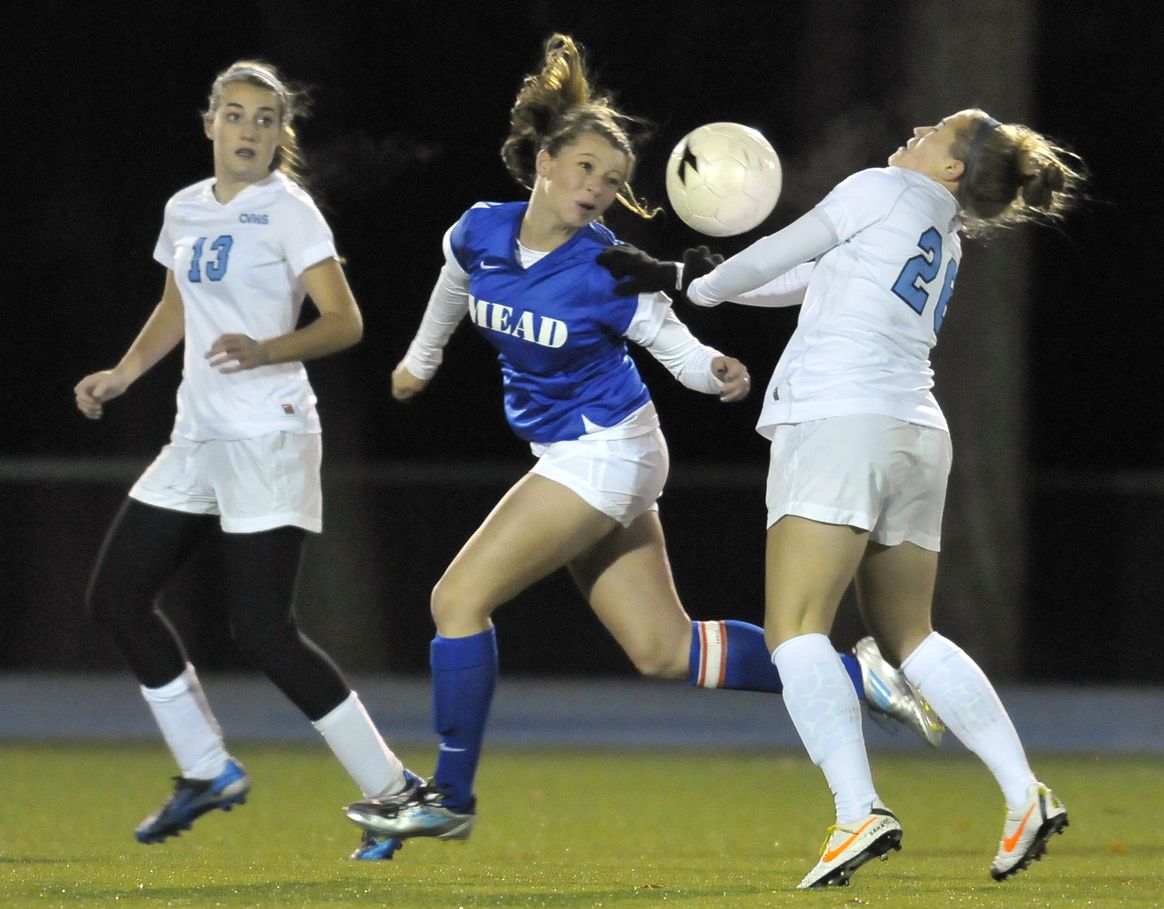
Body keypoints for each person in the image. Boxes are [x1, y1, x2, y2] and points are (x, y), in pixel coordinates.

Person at [342, 34, 941, 856]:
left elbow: (675, 344)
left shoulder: (607, 266)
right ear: (546, 162)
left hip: (609, 449)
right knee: (666, 649)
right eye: (587, 169)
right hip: (573, 453)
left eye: (614, 180)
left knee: (457, 599)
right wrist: (420, 361)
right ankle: (857, 674)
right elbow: (453, 287)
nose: (599, 188)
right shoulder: (478, 231)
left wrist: (718, 369)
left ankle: (448, 794)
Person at [598, 109, 1085, 887]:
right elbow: (805, 279)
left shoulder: (883, 187)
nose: (919, 129)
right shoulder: (943, 231)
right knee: (909, 635)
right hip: (916, 431)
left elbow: (774, 256)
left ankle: (858, 808)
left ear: (953, 168)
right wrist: (690, 280)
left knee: (795, 631)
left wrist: (702, 282)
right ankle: (1023, 791)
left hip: (838, 418)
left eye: (936, 131)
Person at [73, 60, 415, 861]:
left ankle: (398, 791)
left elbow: (345, 321)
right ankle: (205, 767)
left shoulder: (288, 212)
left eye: (267, 119)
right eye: (236, 115)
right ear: (210, 124)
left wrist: (266, 348)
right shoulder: (184, 208)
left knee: (263, 628)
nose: (250, 130)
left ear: (279, 136)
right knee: (117, 598)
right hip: (198, 433)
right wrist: (124, 373)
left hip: (270, 429)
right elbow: (175, 306)